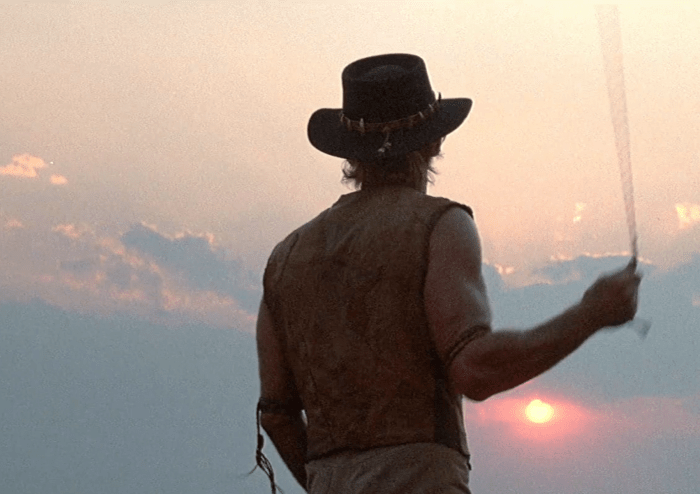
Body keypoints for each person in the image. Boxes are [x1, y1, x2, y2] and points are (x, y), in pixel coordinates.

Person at [253, 53, 641, 493]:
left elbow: (276, 414)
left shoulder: (286, 257)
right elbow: (475, 370)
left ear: (349, 153)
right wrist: (591, 314)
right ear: (435, 141)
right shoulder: (440, 225)